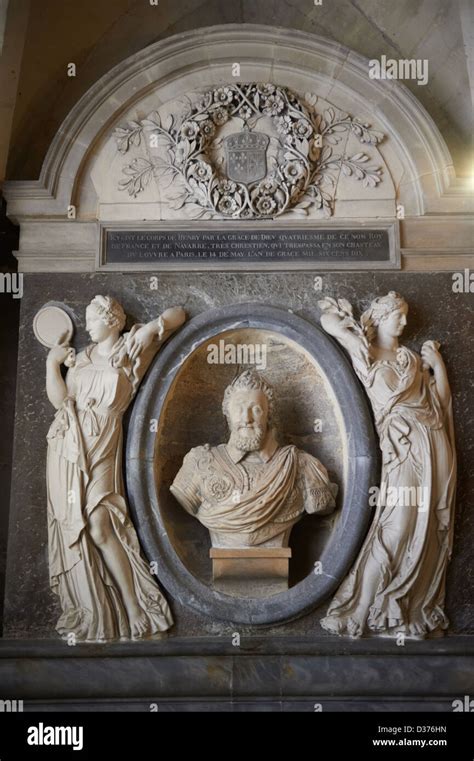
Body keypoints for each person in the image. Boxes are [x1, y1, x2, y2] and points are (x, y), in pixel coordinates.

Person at [45, 295, 185, 641]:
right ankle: (95, 610)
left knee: (98, 524)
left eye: (92, 319)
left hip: (104, 443)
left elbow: (179, 314)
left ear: (112, 320)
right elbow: (61, 402)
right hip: (67, 446)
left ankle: (134, 605)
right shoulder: (80, 359)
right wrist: (52, 365)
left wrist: (151, 328)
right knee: (75, 530)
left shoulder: (131, 349)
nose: (87, 325)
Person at [319, 292, 456, 638]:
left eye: (406, 317)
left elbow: (439, 405)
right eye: (399, 316)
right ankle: (363, 608)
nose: (405, 323)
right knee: (394, 529)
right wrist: (350, 330)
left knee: (423, 533)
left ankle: (406, 609)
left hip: (432, 445)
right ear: (380, 317)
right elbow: (328, 322)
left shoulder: (410, 358)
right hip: (400, 453)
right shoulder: (365, 353)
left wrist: (437, 367)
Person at [171, 369, 337, 548]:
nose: (246, 418)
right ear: (227, 412)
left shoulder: (300, 465)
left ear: (268, 415)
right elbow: (184, 500)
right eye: (239, 408)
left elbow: (321, 505)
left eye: (256, 409)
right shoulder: (200, 462)